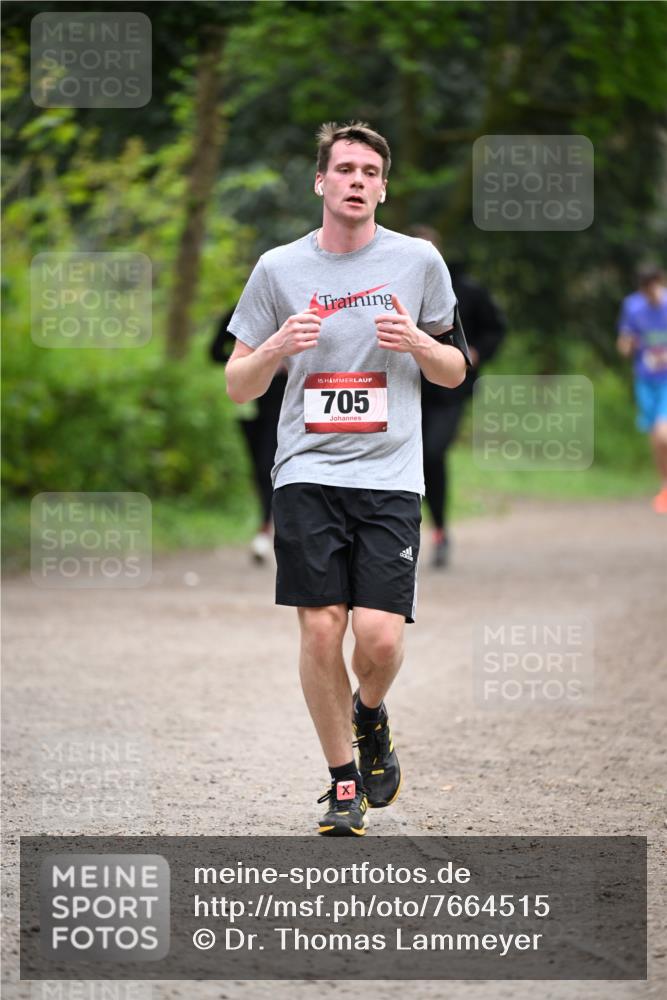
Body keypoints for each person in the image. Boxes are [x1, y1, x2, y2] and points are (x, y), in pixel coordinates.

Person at [225, 122, 471, 836]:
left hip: (391, 472)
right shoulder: (277, 269)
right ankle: (341, 782)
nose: (357, 180)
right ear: (321, 182)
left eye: (369, 170)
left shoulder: (418, 261)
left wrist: (418, 342)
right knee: (319, 625)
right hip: (305, 469)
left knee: (380, 639)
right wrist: (275, 345)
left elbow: (453, 371)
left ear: (382, 187)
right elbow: (239, 386)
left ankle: (369, 716)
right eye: (344, 168)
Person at [411, 227, 506, 567]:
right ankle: (400, 535)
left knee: (431, 453)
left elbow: (496, 327)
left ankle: (439, 530)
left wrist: (475, 351)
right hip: (404, 390)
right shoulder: (394, 287)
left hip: (449, 393)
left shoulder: (464, 289)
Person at [210, 311, 286, 562]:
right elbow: (214, 353)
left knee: (278, 466)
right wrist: (261, 360)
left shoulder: (300, 301)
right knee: (263, 469)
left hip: (300, 406)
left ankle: (269, 530)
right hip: (255, 409)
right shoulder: (239, 312)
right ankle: (265, 528)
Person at [617, 263, 667, 514]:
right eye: (648, 289)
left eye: (656, 286)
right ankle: (665, 486)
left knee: (662, 433)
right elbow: (624, 346)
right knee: (656, 440)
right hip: (646, 380)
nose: (653, 293)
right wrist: (629, 344)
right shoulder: (633, 307)